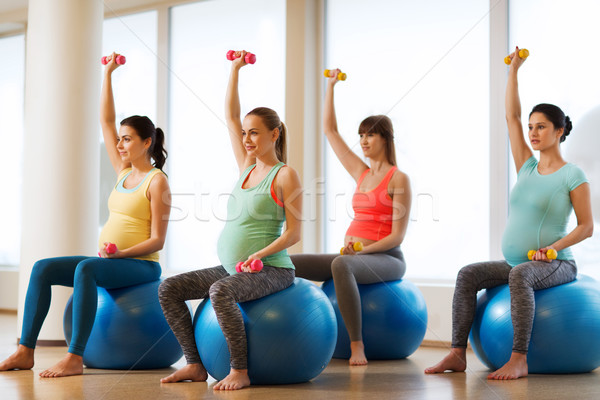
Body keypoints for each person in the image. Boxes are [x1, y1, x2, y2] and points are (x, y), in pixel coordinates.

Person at [425, 47, 593, 380]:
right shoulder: (527, 167)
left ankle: (519, 358)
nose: (533, 132)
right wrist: (513, 70)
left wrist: (555, 249)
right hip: (519, 261)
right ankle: (458, 353)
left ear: (560, 131)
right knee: (468, 274)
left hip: (558, 264)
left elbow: (587, 227)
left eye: (541, 127)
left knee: (520, 276)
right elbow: (510, 118)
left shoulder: (573, 175)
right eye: (532, 127)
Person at [0, 52, 171, 378]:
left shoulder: (157, 180)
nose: (120, 144)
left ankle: (75, 357)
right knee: (43, 268)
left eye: (128, 139)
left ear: (147, 142)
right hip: (114, 262)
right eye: (120, 139)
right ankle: (25, 350)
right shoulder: (122, 171)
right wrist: (107, 73)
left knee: (86, 270)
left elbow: (157, 240)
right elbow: (106, 121)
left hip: (142, 267)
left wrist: (120, 254)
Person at [158, 51, 302, 391]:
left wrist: (260, 255)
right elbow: (231, 115)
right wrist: (235, 70)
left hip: (273, 270)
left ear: (275, 134)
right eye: (245, 135)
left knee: (220, 292)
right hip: (235, 267)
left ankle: (240, 370)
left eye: (254, 133)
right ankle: (194, 364)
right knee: (169, 289)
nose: (247, 140)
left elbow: (295, 233)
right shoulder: (246, 167)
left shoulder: (285, 175)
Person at [290, 69, 411, 366]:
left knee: (341, 264)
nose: (364, 140)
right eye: (361, 134)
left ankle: (357, 346)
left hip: (388, 259)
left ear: (386, 138)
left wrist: (361, 251)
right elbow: (329, 131)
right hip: (354, 255)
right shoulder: (362, 173)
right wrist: (330, 86)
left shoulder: (399, 178)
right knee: (290, 262)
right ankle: (298, 333)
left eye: (370, 134)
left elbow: (397, 236)